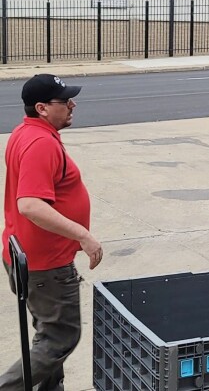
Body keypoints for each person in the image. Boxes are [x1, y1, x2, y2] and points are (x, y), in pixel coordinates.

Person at [1, 74, 102, 391]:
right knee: (60, 338)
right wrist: (82, 235)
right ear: (43, 108)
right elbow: (30, 204)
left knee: (49, 335)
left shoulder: (25, 132)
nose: (72, 104)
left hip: (27, 255)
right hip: (46, 264)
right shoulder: (40, 143)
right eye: (65, 101)